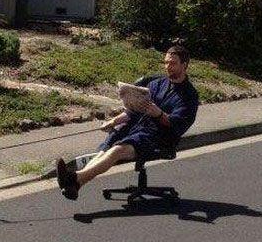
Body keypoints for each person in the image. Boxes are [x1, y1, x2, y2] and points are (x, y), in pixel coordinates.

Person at [56, 45, 199, 200]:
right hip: (136, 127)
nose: (167, 67)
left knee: (117, 150)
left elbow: (176, 124)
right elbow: (133, 110)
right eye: (166, 63)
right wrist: (113, 121)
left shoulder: (189, 96)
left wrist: (158, 114)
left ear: (184, 65)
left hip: (158, 137)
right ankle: (75, 183)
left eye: (172, 63)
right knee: (106, 149)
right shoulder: (157, 83)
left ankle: (74, 179)